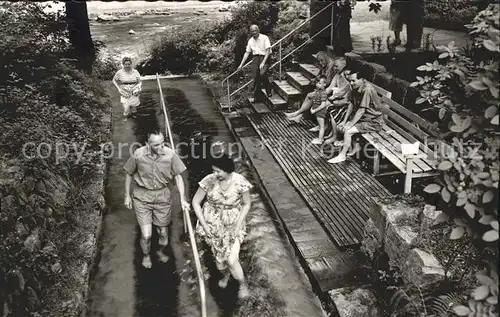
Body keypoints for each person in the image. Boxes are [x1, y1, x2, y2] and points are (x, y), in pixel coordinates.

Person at [123, 131, 190, 268]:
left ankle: (160, 251)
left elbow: (178, 177)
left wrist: (182, 198)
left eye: (162, 143)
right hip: (142, 197)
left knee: (163, 233)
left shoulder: (170, 155)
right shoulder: (139, 154)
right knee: (146, 235)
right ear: (147, 144)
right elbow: (129, 173)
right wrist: (127, 195)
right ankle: (147, 256)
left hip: (162, 197)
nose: (160, 147)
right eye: (156, 145)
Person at [191, 154, 253, 299]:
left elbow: (247, 203)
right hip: (212, 223)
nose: (215, 174)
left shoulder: (240, 182)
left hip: (233, 223)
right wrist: (204, 225)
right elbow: (195, 202)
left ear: (228, 170)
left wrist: (238, 224)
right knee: (220, 260)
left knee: (231, 259)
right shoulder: (209, 181)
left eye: (218, 171)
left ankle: (243, 283)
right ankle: (227, 275)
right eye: (214, 170)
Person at [328, 73, 385, 164]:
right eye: (350, 80)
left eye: (353, 80)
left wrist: (350, 124)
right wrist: (345, 121)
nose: (351, 83)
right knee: (343, 125)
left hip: (374, 121)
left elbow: (362, 110)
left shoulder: (367, 90)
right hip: (364, 118)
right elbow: (351, 104)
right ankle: (355, 146)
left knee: (348, 131)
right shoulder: (355, 87)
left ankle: (342, 156)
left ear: (362, 79)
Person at [286, 57, 350, 132]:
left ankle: (319, 125)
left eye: (337, 66)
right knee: (311, 95)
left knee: (320, 102)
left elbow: (342, 92)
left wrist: (322, 96)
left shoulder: (346, 77)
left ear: (343, 66)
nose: (335, 68)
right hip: (335, 96)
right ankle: (299, 114)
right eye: (334, 66)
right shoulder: (337, 75)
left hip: (341, 99)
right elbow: (330, 87)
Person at [237, 25, 273, 103]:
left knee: (262, 74)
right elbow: (247, 52)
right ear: (250, 32)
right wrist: (241, 64)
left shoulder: (265, 38)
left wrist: (263, 62)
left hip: (265, 57)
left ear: (258, 30)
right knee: (255, 76)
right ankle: (257, 97)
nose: (254, 32)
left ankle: (268, 89)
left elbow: (267, 50)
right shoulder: (250, 40)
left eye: (255, 30)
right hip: (256, 58)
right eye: (252, 31)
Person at [309, 77, 329, 145]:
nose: (317, 84)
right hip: (317, 110)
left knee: (321, 126)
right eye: (317, 83)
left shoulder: (323, 93)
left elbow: (323, 104)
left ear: (325, 84)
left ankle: (320, 140)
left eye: (320, 83)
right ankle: (321, 138)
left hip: (320, 112)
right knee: (321, 126)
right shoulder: (318, 91)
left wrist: (314, 110)